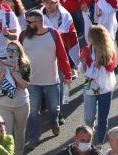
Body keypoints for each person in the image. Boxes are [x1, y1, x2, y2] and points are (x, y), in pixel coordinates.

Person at [22, 8, 73, 151]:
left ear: (38, 22)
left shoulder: (53, 33)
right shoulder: (23, 35)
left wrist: (68, 75)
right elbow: (18, 56)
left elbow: (62, 56)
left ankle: (54, 120)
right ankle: (34, 138)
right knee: (33, 111)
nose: (26, 24)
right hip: (31, 82)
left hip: (51, 80)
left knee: (54, 107)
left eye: (29, 22)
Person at [80, 24, 118, 147]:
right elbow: (83, 71)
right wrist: (85, 64)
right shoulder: (86, 50)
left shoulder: (109, 51)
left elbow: (112, 67)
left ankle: (99, 143)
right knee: (89, 118)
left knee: (103, 117)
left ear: (96, 38)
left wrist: (102, 65)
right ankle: (90, 132)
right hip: (88, 83)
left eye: (89, 36)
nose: (87, 38)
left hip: (105, 86)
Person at [0, 41, 30, 154]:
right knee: (5, 134)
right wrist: (3, 72)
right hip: (4, 105)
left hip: (21, 104)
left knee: (19, 132)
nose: (11, 53)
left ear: (19, 52)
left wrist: (14, 73)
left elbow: (24, 85)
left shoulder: (25, 65)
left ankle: (19, 152)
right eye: (8, 50)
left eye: (14, 51)